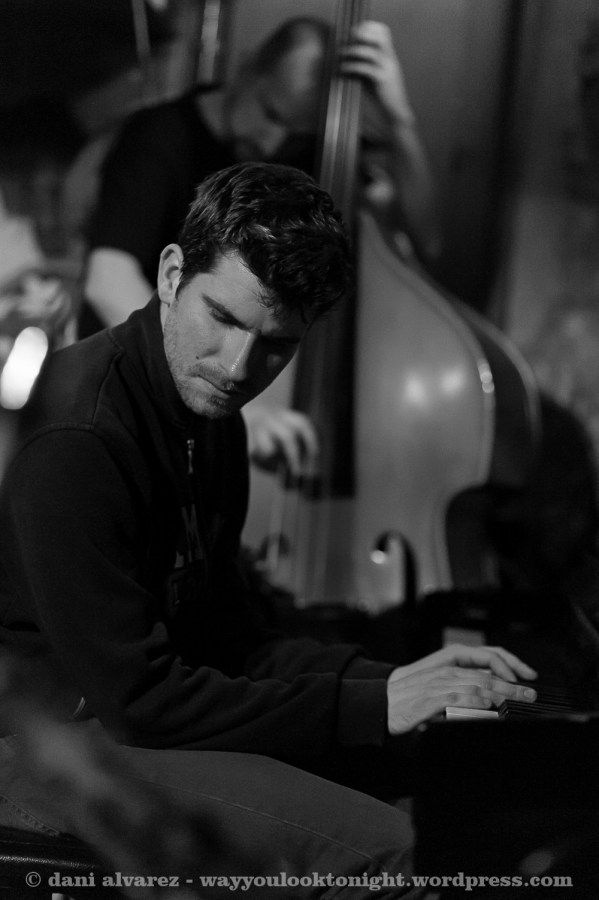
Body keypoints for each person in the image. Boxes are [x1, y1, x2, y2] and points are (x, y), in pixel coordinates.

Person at [0, 162, 536, 895]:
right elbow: (141, 702)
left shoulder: (206, 415)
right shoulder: (78, 438)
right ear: (170, 275)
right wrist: (372, 706)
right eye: (222, 319)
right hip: (44, 747)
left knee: (461, 790)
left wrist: (398, 682)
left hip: (126, 722)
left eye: (276, 344)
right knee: (402, 855)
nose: (237, 367)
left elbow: (235, 638)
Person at [80, 15, 442, 477]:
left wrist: (399, 119)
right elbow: (107, 277)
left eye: (296, 132)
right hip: (141, 412)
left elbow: (425, 238)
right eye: (271, 112)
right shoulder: (161, 137)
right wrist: (230, 400)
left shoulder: (306, 159)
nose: (273, 143)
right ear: (248, 69)